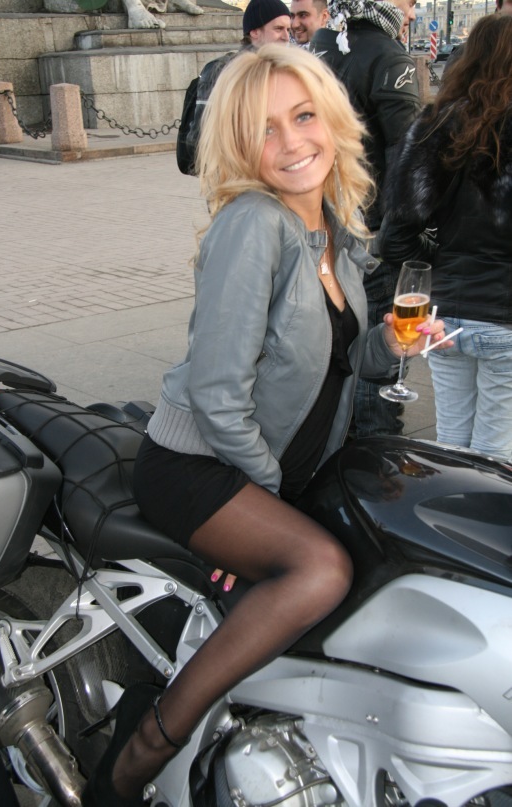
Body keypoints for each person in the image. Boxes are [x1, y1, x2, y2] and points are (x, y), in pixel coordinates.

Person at [82, 44, 449, 807]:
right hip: (201, 464)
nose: (290, 142)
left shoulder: (332, 229)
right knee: (320, 568)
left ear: (332, 118)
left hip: (269, 463)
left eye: (303, 116)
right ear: (239, 146)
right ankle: (145, 744)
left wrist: (392, 344)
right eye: (264, 129)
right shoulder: (254, 223)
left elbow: (346, 363)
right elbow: (217, 393)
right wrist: (270, 499)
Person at [380, 13, 512, 461]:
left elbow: (394, 239)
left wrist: (441, 260)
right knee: (495, 456)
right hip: (505, 319)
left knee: (451, 445)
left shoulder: (435, 126)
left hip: (444, 316)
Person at [310, 0, 421, 438]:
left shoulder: (319, 45)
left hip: (319, 224)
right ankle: (373, 456)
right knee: (377, 353)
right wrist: (403, 236)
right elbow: (407, 162)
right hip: (370, 230)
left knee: (331, 343)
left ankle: (336, 442)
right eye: (410, 3)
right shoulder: (388, 55)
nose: (411, 13)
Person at [177, 0, 290, 175]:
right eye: (278, 29)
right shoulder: (221, 71)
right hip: (236, 180)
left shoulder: (283, 72)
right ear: (254, 32)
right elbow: (199, 140)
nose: (286, 36)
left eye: (288, 29)